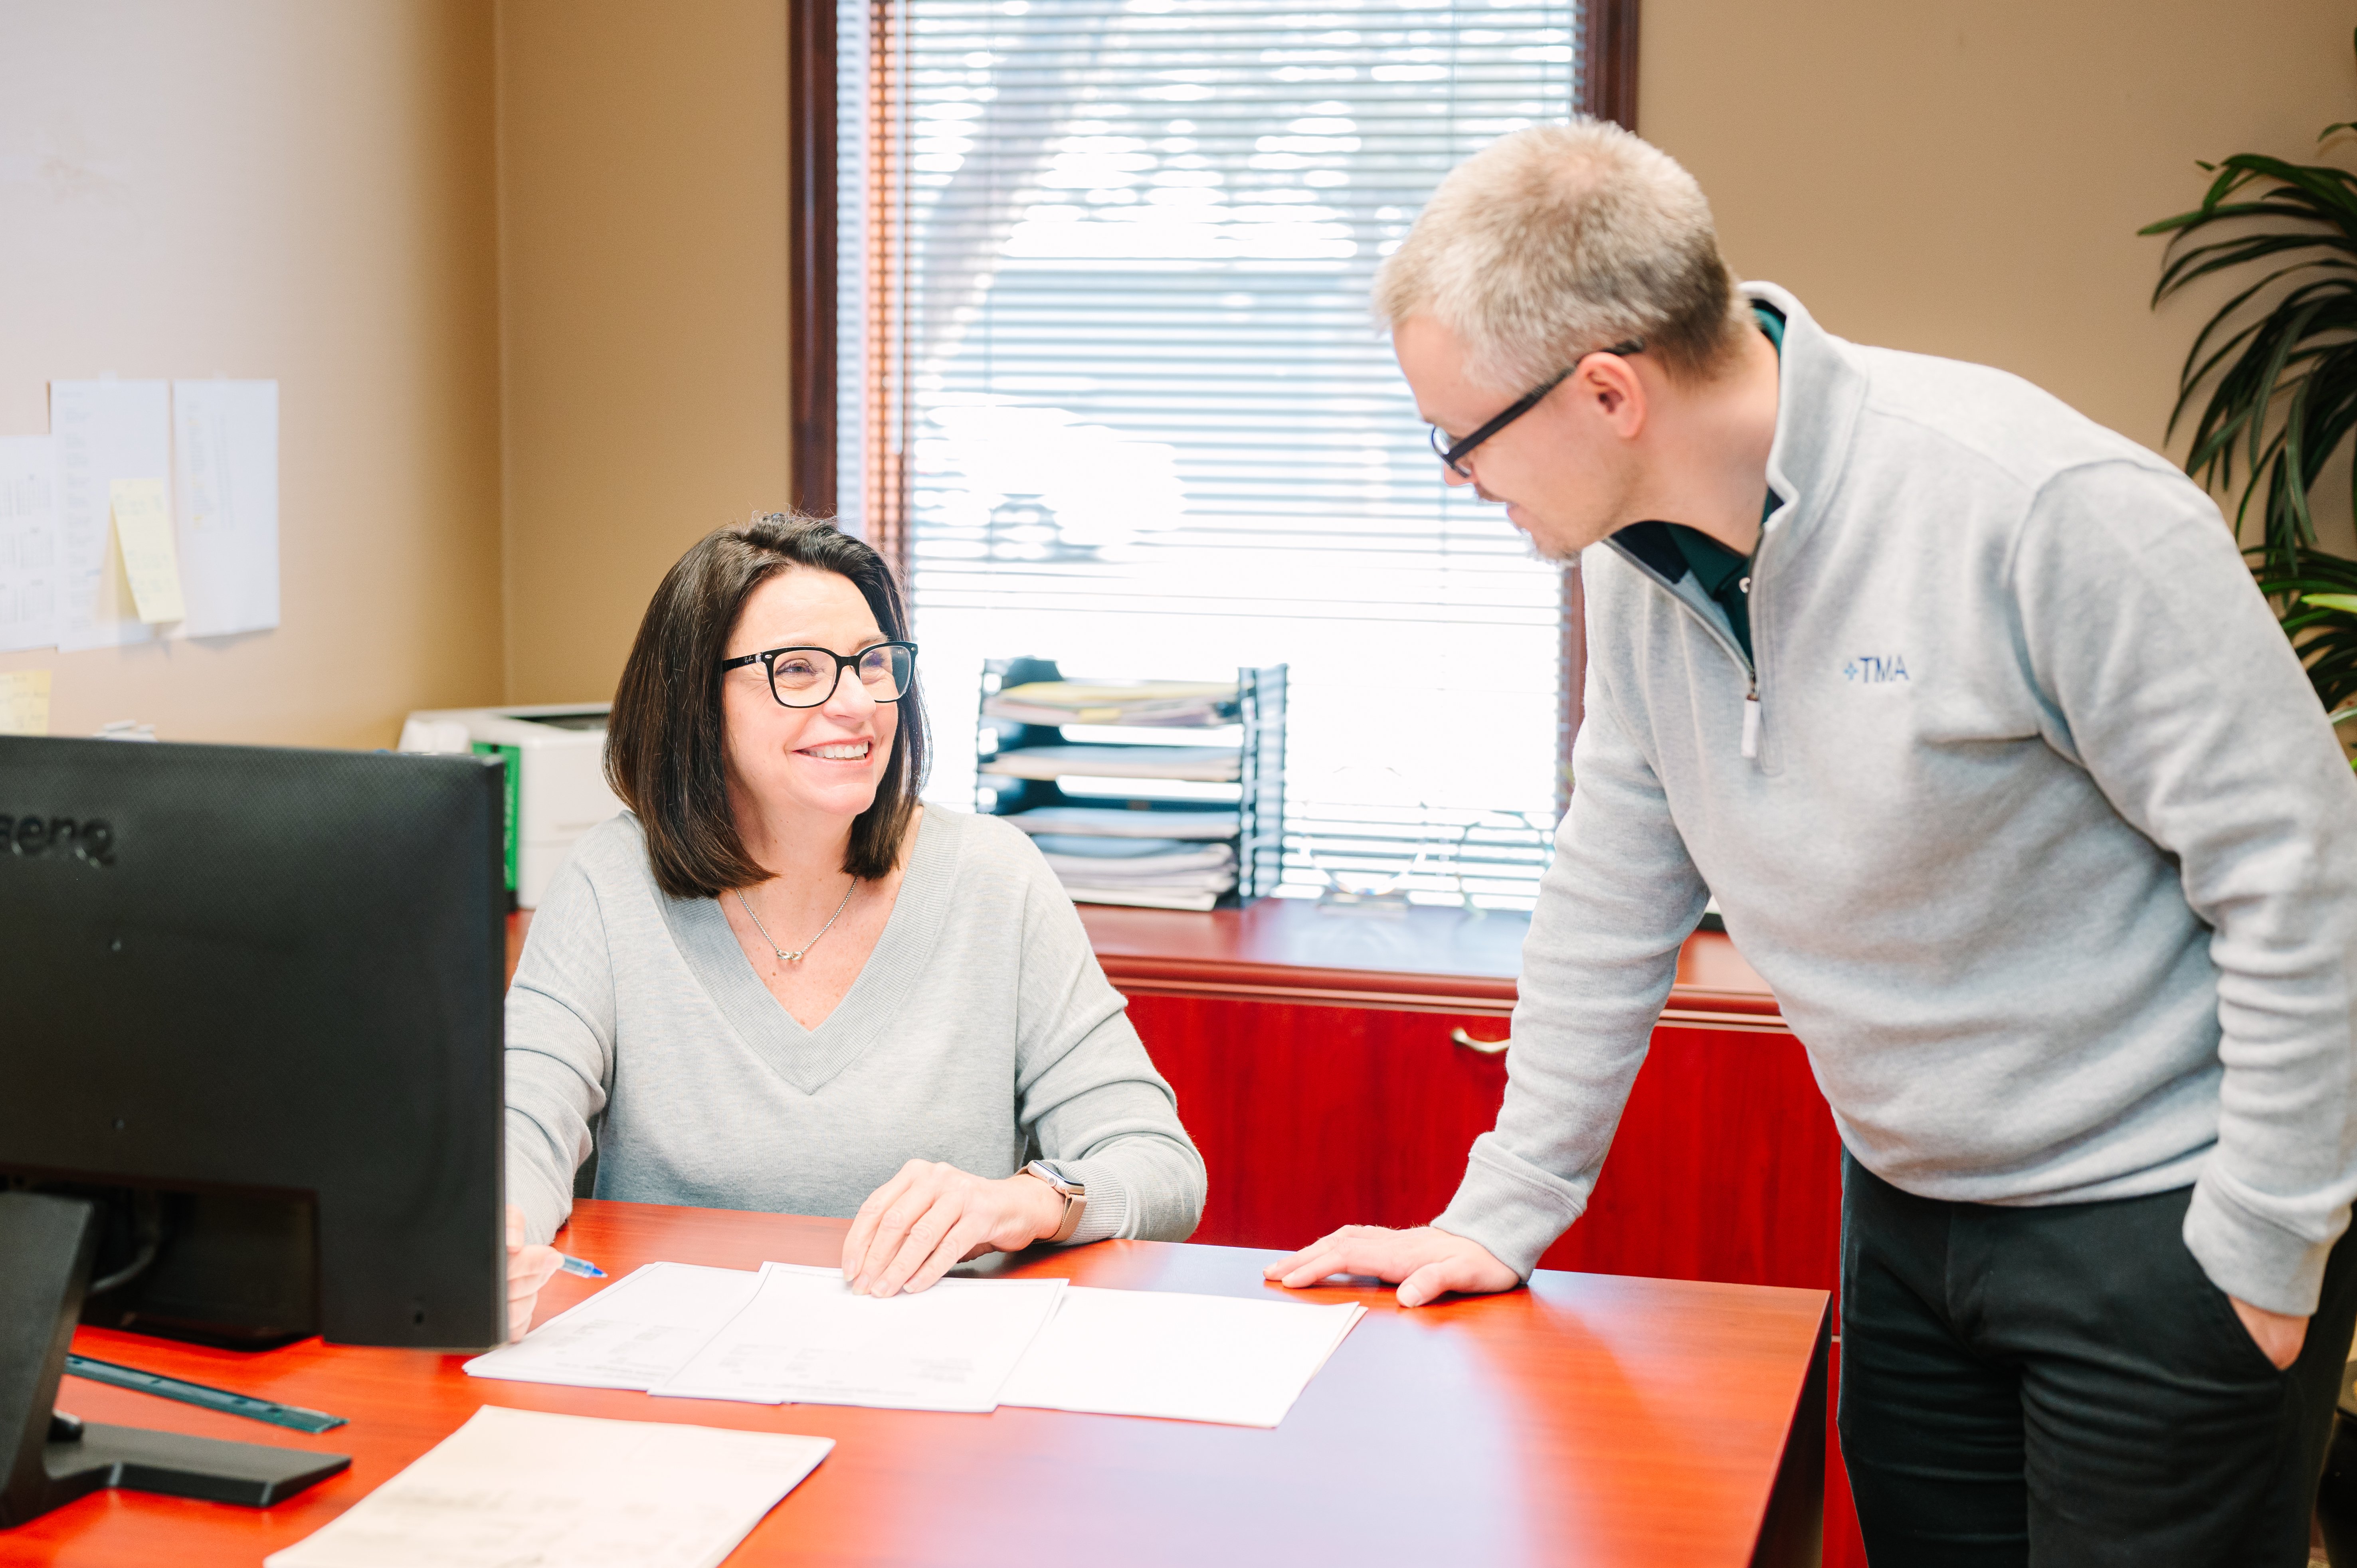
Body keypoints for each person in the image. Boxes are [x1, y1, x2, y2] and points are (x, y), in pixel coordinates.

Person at [1266, 121, 2357, 1564]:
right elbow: (1610, 893)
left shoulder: (2035, 511)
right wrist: (1503, 1211)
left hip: (2155, 1223)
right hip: (1910, 1221)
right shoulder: (1636, 565)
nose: (1456, 478)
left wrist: (2263, 1245)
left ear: (1606, 392)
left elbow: (2303, 877)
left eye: (1456, 440)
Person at [501, 514, 1204, 1332]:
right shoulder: (608, 881)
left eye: (874, 665)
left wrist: (1029, 1200)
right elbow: (520, 1126)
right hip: (671, 1368)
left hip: (931, 1379)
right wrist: (498, 1234)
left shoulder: (992, 876)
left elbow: (1160, 1168)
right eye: (797, 670)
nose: (857, 703)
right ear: (697, 697)